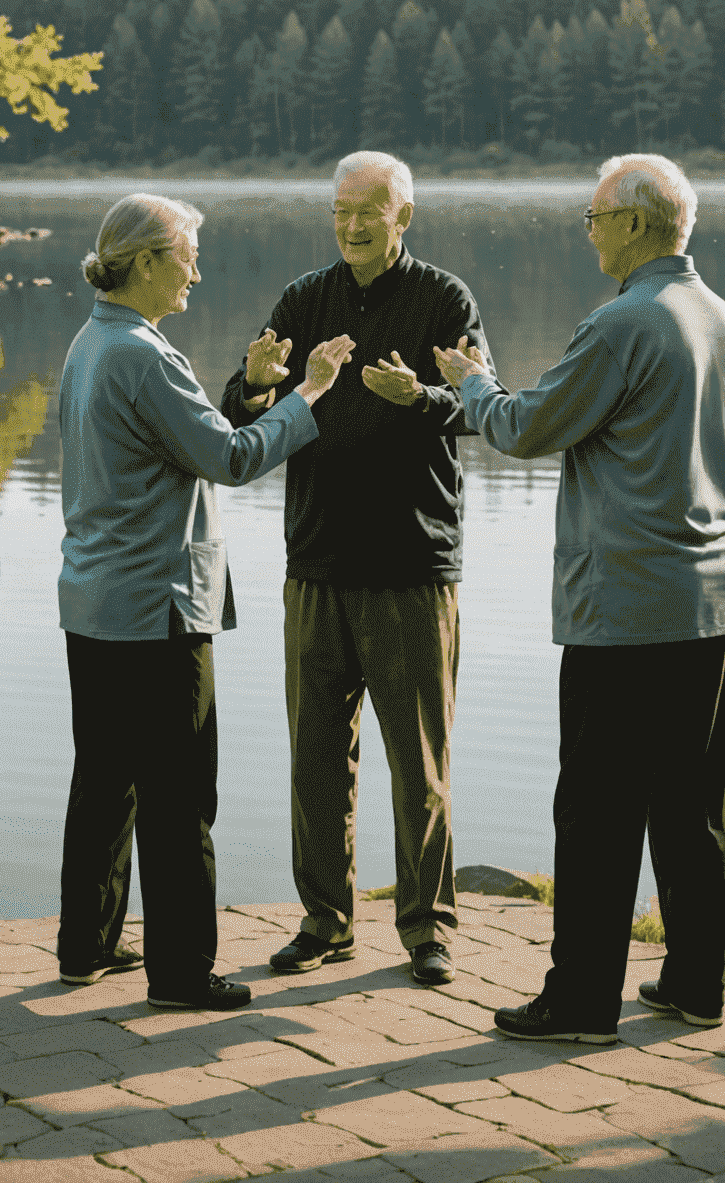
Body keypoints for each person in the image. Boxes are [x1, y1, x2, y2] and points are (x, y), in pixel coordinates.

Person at [434, 154, 725, 1042]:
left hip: (624, 608)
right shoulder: (721, 320)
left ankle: (579, 1002)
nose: (589, 230)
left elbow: (529, 427)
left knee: (597, 810)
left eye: (595, 216)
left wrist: (471, 384)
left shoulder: (622, 323)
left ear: (637, 225)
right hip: (709, 600)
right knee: (692, 807)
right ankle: (698, 983)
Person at [56, 193, 354, 1011]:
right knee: (182, 793)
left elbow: (174, 443)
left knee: (105, 780)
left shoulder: (94, 342)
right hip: (155, 607)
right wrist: (308, 395)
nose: (197, 269)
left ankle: (86, 944)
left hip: (94, 601)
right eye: (187, 254)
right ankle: (181, 973)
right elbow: (226, 459)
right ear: (147, 260)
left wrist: (255, 388)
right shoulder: (144, 356)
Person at [219, 152, 495, 987]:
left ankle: (428, 931)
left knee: (419, 768)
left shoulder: (444, 300)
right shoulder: (307, 299)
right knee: (314, 765)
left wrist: (418, 398)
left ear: (401, 216)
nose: (349, 225)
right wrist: (259, 385)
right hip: (317, 562)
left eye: (366, 211)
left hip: (413, 567)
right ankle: (325, 922)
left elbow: (480, 406)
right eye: (339, 210)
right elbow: (241, 403)